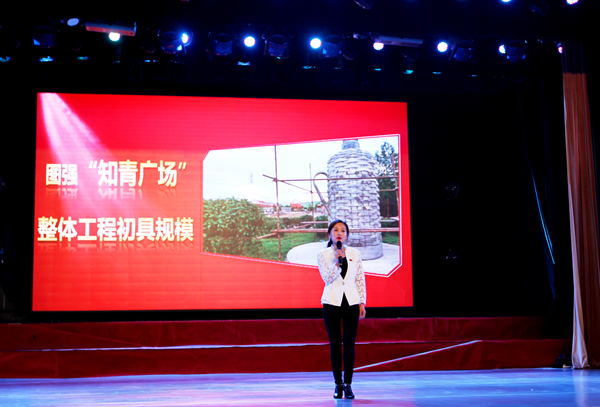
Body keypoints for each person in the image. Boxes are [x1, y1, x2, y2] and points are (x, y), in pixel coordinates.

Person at [317, 219, 367, 399]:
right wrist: (338, 262)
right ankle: (338, 384)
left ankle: (348, 384)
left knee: (349, 345)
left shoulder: (355, 253)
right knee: (335, 345)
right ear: (329, 234)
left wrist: (362, 302)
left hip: (351, 302)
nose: (339, 233)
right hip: (331, 302)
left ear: (347, 235)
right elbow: (327, 278)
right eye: (336, 230)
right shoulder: (323, 254)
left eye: (343, 230)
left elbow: (359, 278)